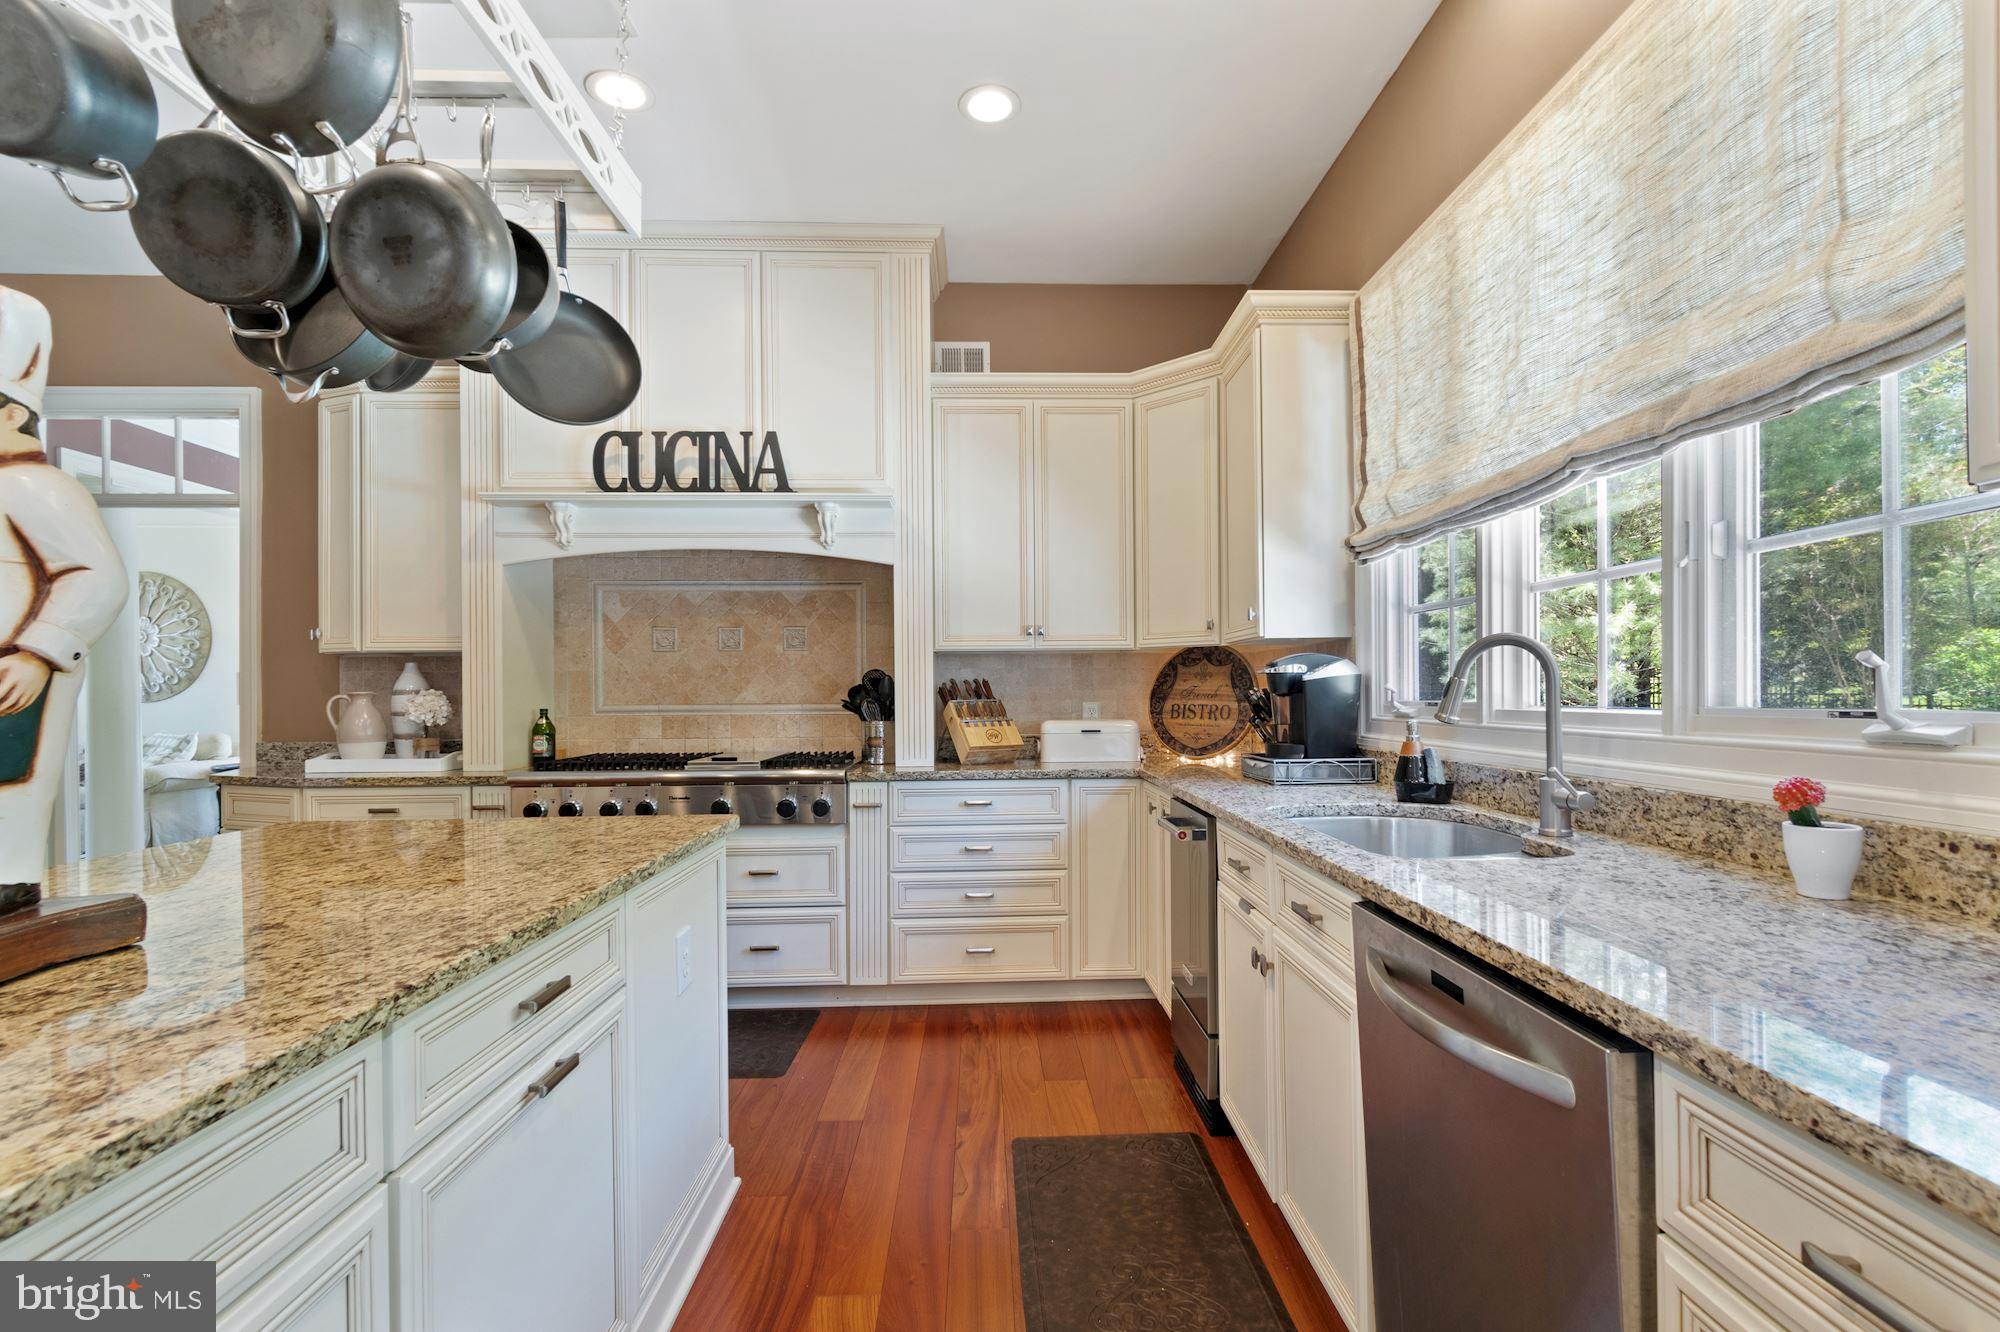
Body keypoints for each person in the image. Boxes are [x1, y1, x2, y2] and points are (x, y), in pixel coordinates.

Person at [0, 286, 127, 909]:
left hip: (13, 672)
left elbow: (98, 577)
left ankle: (8, 880)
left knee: (9, 788)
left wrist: (35, 652)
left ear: (11, 415)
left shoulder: (35, 487)